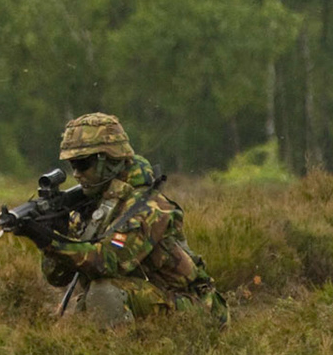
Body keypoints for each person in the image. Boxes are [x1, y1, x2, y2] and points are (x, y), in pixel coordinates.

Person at [38, 112, 226, 325]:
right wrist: (55, 232)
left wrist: (50, 242)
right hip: (150, 298)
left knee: (104, 294)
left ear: (108, 160)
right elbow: (58, 278)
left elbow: (108, 262)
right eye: (72, 165)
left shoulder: (149, 206)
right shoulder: (92, 206)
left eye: (82, 164)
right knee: (86, 306)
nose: (76, 174)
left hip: (196, 308)